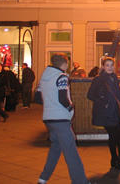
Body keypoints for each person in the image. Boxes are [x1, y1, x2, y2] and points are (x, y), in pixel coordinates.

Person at [35, 53, 90, 184]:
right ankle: (80, 181)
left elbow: (37, 98)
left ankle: (43, 178)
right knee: (71, 152)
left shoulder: (44, 77)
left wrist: (50, 104)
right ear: (64, 64)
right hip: (61, 119)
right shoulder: (62, 77)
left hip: (48, 119)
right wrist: (70, 107)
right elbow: (62, 97)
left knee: (55, 148)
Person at [87, 57, 120, 170]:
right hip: (106, 111)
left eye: (111, 65)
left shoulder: (114, 77)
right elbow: (90, 95)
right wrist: (103, 101)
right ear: (103, 67)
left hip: (116, 110)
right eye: (107, 65)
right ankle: (114, 159)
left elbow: (117, 92)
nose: (110, 67)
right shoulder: (99, 79)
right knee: (113, 136)